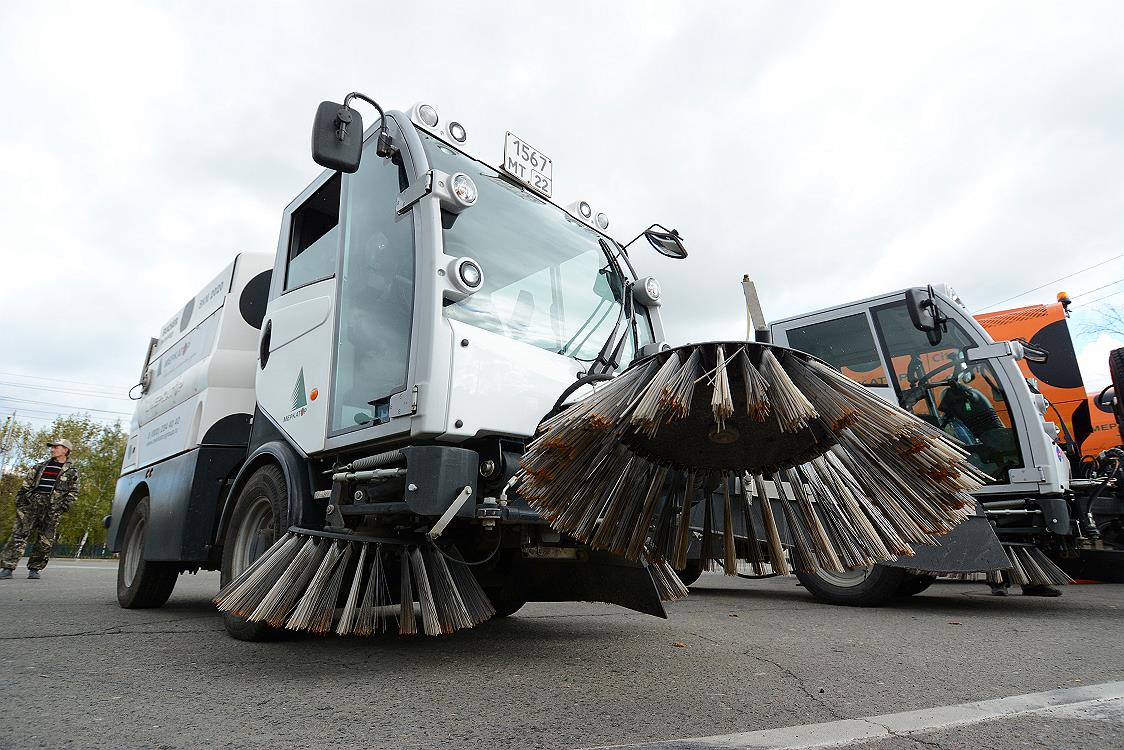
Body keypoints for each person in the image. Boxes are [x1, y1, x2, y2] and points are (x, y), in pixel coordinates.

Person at [0, 439, 80, 579]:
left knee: (45, 540)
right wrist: (21, 500)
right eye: (52, 447)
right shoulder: (40, 466)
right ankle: (7, 568)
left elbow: (74, 491)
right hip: (32, 504)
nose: (52, 449)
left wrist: (64, 505)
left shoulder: (72, 471)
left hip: (52, 508)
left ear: (65, 450)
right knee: (19, 535)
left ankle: (34, 569)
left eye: (56, 447)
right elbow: (26, 484)